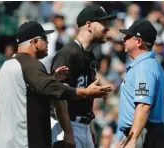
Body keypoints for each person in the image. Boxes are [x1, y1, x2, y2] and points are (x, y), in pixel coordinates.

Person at [0, 21, 112, 148]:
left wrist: (51, 78)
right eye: (44, 38)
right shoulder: (30, 64)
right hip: (23, 141)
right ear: (35, 42)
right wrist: (85, 92)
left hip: (4, 140)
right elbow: (52, 89)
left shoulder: (8, 64)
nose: (48, 42)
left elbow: (28, 93)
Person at [50, 5, 117, 148]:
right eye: (103, 23)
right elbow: (58, 96)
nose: (108, 28)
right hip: (68, 126)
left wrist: (89, 124)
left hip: (83, 126)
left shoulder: (90, 55)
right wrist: (68, 131)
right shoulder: (67, 54)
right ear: (89, 26)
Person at [116, 20, 164, 148]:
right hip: (141, 131)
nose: (124, 39)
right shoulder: (146, 65)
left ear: (139, 41)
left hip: (145, 133)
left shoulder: (144, 67)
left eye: (128, 36)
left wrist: (133, 139)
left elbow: (144, 106)